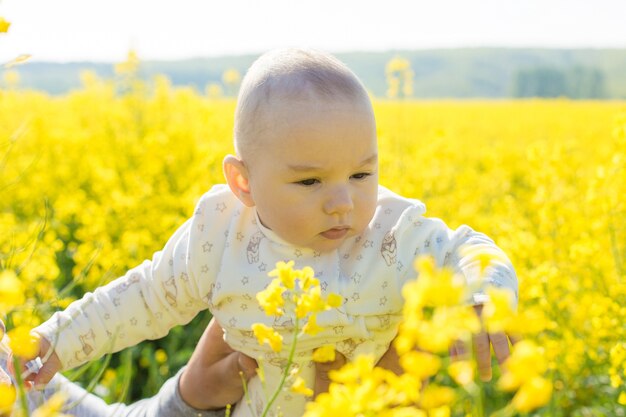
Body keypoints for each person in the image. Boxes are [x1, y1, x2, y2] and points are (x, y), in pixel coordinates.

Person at [27, 48, 518, 416]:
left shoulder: (392, 233)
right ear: (243, 183)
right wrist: (53, 344)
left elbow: (469, 248)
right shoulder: (219, 232)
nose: (343, 202)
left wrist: (484, 296)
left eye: (362, 174)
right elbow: (142, 297)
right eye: (309, 180)